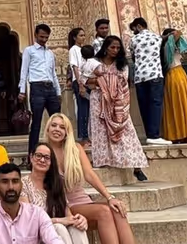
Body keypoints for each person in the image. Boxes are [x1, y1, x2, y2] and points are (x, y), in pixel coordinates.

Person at [45, 113, 162, 244]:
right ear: (47, 129)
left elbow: (90, 174)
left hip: (82, 202)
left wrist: (109, 197)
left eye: (62, 127)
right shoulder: (43, 153)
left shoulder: (75, 149)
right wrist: (67, 214)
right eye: (53, 125)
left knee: (115, 210)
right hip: (64, 207)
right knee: (104, 212)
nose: (57, 129)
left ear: (67, 131)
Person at [89, 36, 149, 182]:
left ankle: (136, 166)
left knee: (125, 131)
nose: (115, 50)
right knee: (101, 130)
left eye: (117, 48)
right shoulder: (94, 63)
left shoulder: (122, 65)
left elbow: (124, 84)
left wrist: (110, 85)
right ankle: (104, 161)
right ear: (105, 48)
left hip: (118, 101)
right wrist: (101, 82)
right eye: (112, 47)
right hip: (99, 99)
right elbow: (86, 81)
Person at [19, 23, 61, 156]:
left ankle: (59, 152)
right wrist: (22, 90)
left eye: (46, 37)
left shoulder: (50, 53)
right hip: (37, 88)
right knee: (36, 122)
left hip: (51, 89)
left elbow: (53, 73)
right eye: (42, 36)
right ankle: (32, 154)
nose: (44, 40)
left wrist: (58, 91)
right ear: (36, 35)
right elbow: (24, 71)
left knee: (58, 121)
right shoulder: (29, 50)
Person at [128, 17, 171, 146]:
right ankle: (154, 135)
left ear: (139, 26)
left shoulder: (133, 40)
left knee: (144, 106)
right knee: (155, 104)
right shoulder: (156, 38)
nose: (134, 32)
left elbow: (134, 57)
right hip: (155, 75)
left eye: (134, 29)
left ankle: (149, 134)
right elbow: (166, 40)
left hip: (140, 77)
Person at [68, 28, 90, 145]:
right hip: (80, 81)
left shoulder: (83, 50)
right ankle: (83, 137)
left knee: (87, 109)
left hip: (86, 81)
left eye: (84, 35)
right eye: (81, 35)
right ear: (75, 37)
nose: (83, 37)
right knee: (82, 109)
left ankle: (87, 135)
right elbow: (75, 67)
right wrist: (80, 84)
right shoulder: (74, 50)